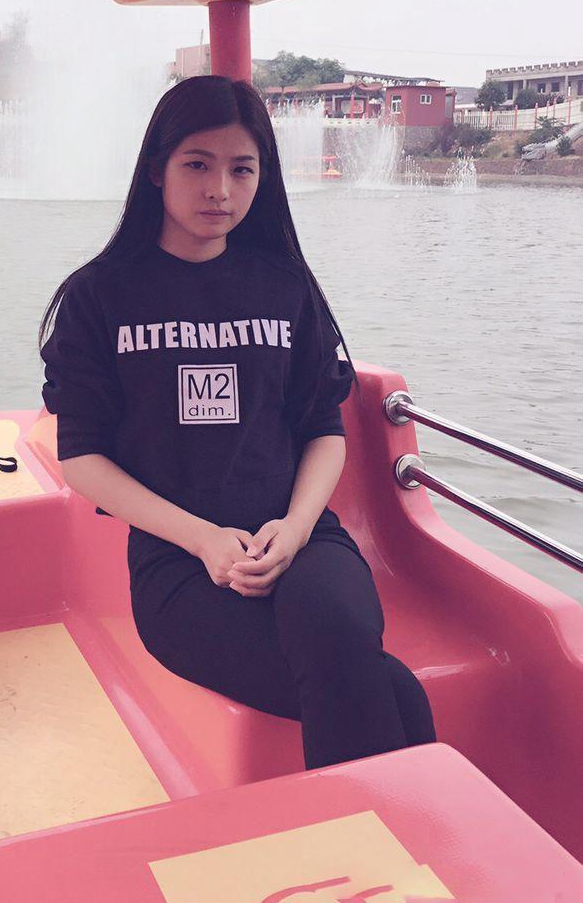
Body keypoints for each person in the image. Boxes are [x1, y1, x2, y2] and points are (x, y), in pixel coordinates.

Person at [38, 74, 436, 770]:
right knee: (386, 687)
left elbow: (323, 430)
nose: (220, 189)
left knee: (337, 628)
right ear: (156, 169)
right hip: (178, 565)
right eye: (198, 164)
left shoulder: (285, 287)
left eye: (242, 169)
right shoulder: (99, 297)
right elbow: (82, 459)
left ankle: (371, 834)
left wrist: (297, 527)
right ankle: (400, 830)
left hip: (301, 537)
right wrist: (204, 540)